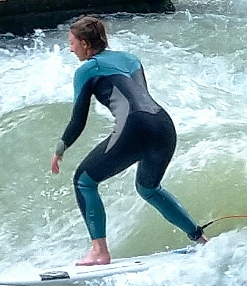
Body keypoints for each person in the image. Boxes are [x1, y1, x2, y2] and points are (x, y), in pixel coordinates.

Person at [51, 16, 205, 266]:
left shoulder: (87, 70)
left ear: (85, 44)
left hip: (134, 126)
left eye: (72, 43)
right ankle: (199, 239)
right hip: (163, 125)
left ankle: (99, 251)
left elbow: (79, 120)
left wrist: (60, 149)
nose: (70, 48)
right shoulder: (131, 59)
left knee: (84, 181)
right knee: (149, 188)